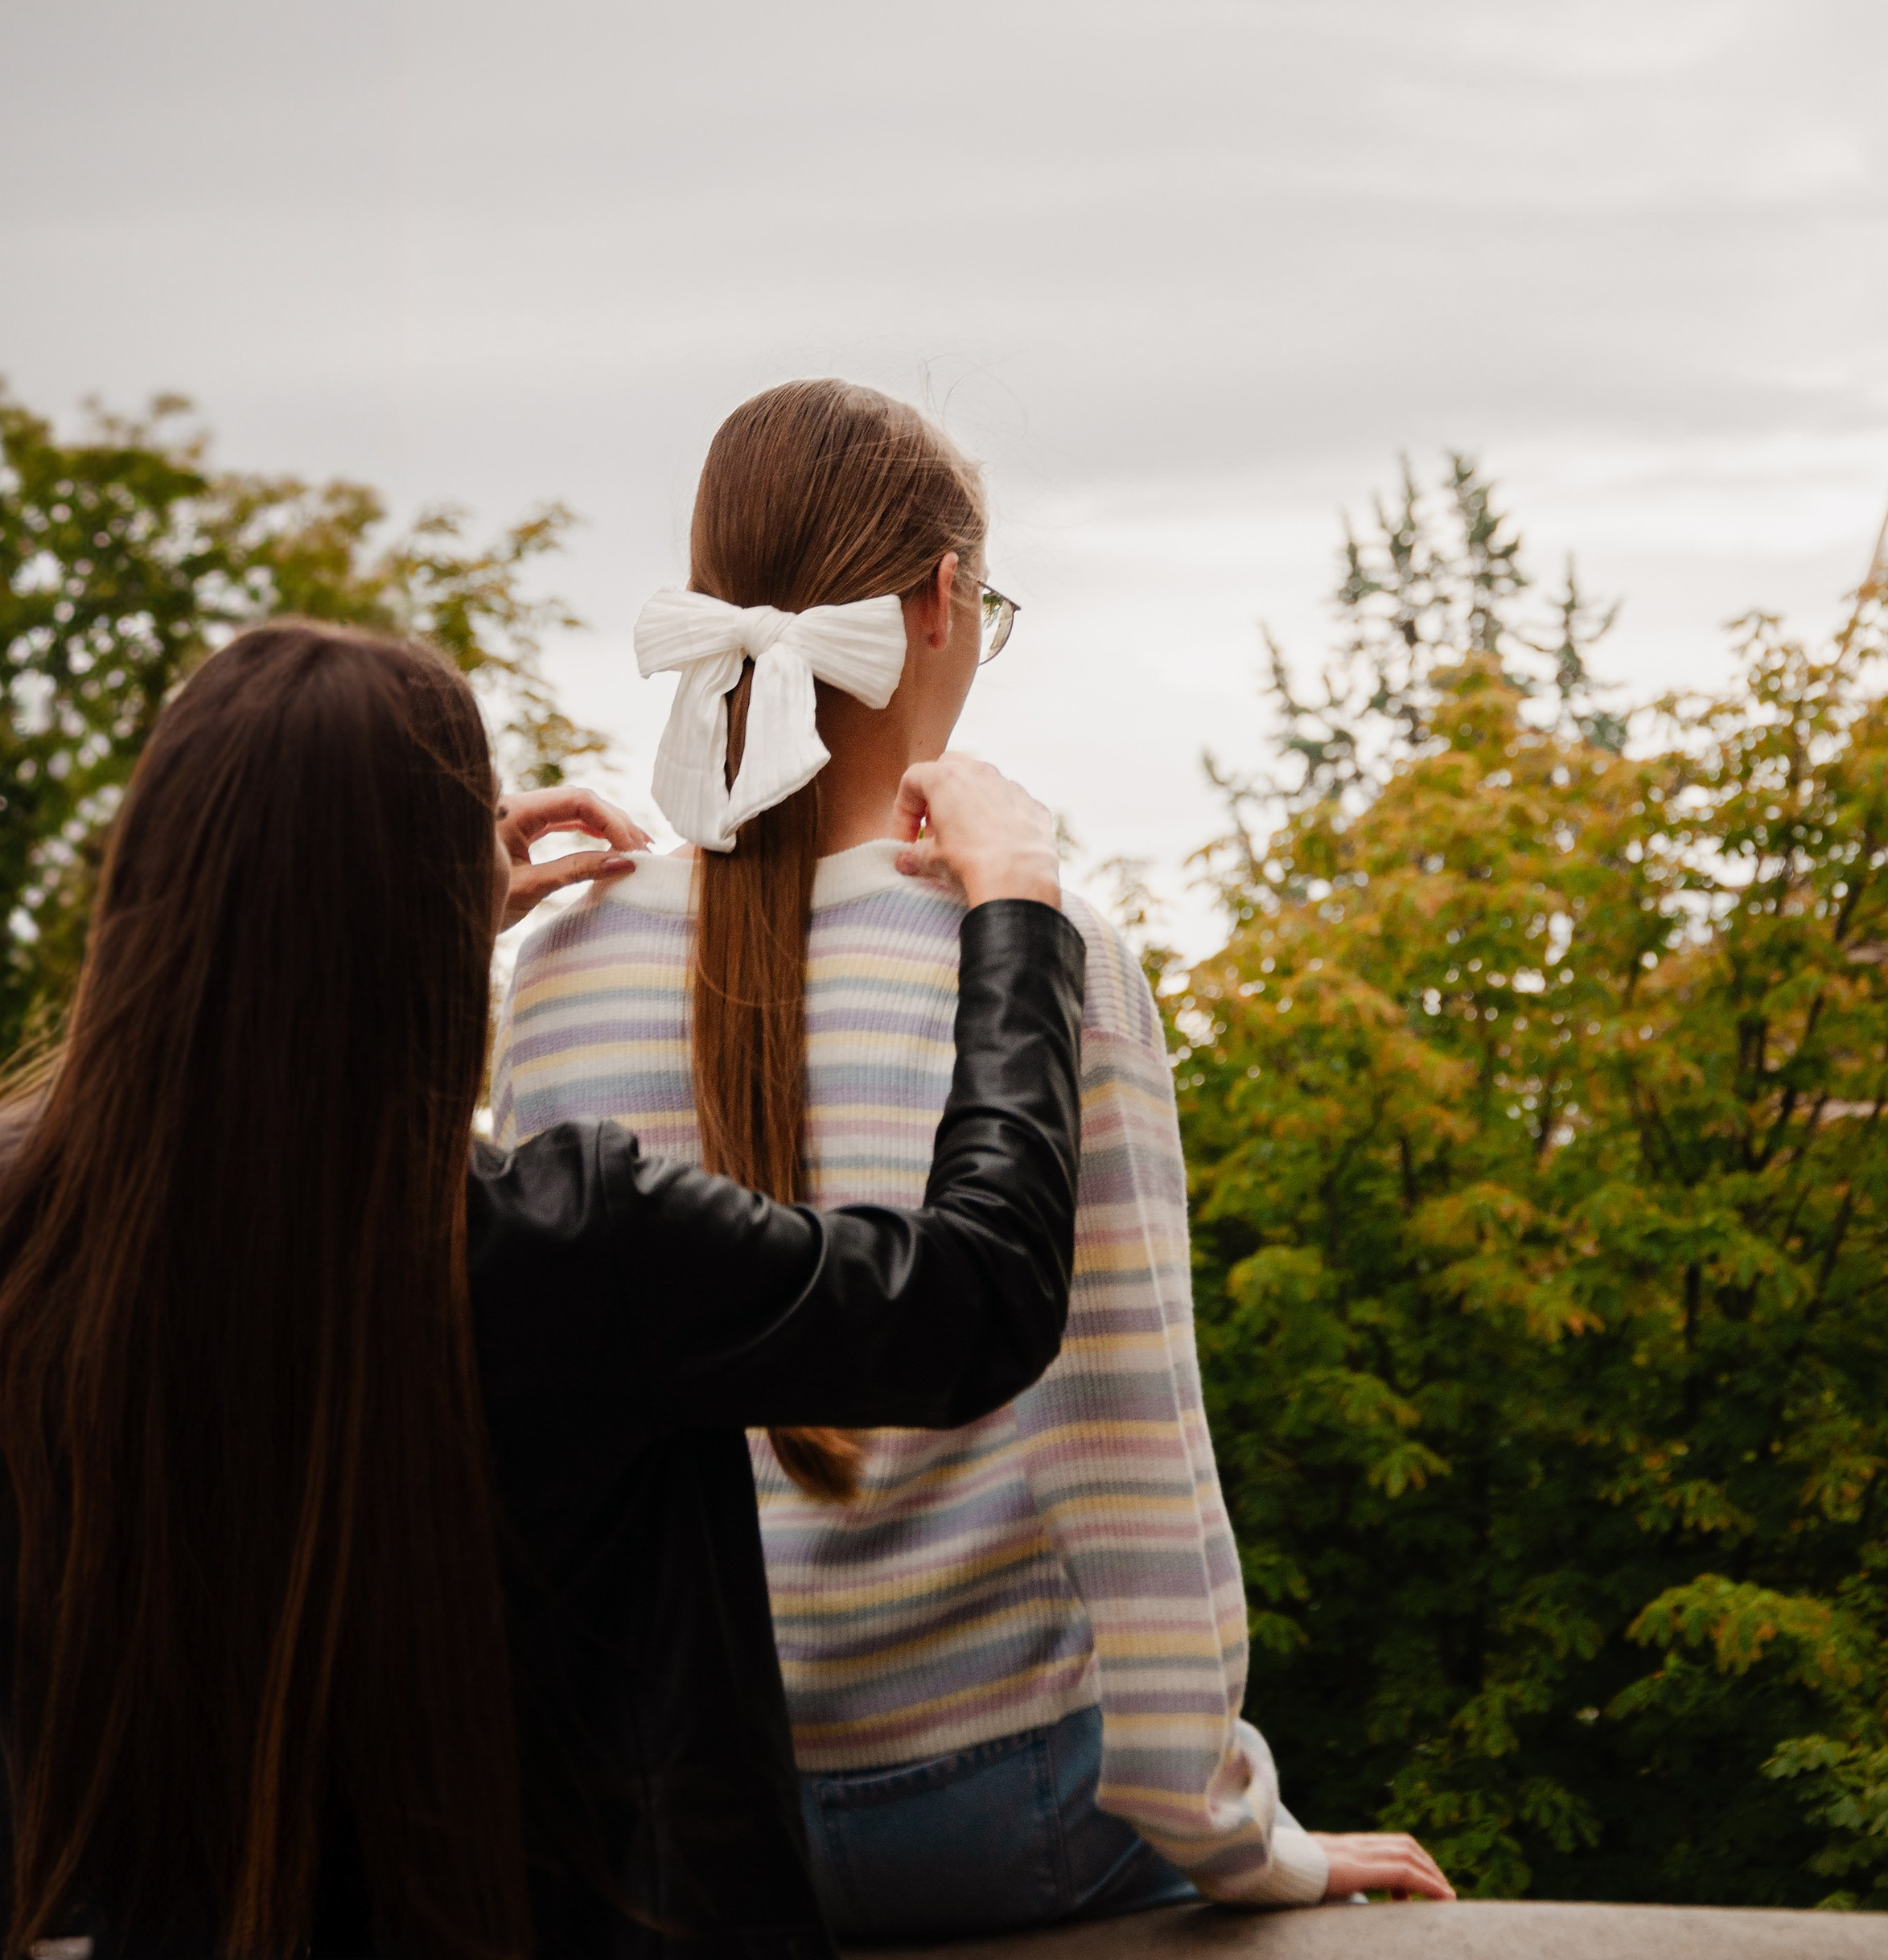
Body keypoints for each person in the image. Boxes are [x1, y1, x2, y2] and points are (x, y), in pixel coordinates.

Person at [497, 378, 1454, 1941]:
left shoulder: (553, 968)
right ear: (943, 600)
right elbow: (1123, 1435)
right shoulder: (1039, 952)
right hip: (986, 1813)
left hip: (672, 1814)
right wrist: (1240, 1835)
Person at [0, 617, 1084, 1960]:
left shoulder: (32, 1235)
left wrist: (427, 908)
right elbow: (980, 1295)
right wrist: (1021, 914)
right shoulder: (572, 1249)